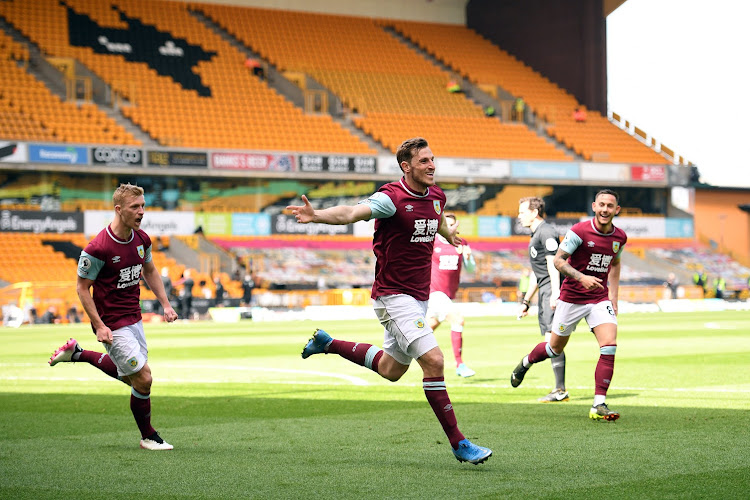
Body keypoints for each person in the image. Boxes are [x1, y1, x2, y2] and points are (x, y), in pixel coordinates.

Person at [289, 137, 492, 465]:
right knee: (436, 362)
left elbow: (435, 219)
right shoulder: (391, 198)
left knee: (391, 369)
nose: (432, 165)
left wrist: (448, 234)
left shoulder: (438, 196)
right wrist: (317, 216)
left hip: (418, 297)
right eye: (424, 161)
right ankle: (459, 442)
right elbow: (351, 213)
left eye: (433, 159)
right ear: (406, 167)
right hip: (393, 296)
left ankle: (327, 344)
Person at [49, 183, 178, 450]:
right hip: (112, 323)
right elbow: (82, 287)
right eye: (135, 207)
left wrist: (165, 304)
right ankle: (148, 436)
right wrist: (99, 325)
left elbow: (151, 271)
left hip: (135, 317)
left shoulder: (142, 239)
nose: (141, 211)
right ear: (119, 210)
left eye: (143, 206)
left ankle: (78, 353)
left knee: (134, 376)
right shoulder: (98, 248)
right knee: (143, 378)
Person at [510, 189, 627, 422]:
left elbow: (615, 264)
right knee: (554, 349)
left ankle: (598, 404)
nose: (605, 209)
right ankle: (525, 363)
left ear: (617, 210)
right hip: (572, 298)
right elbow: (558, 260)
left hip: (599, 299)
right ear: (594, 206)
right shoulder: (579, 231)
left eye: (610, 206)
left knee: (609, 345)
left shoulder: (620, 237)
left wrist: (613, 296)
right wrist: (581, 277)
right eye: (601, 205)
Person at [517, 197, 567, 402]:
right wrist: (526, 301)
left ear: (534, 212)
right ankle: (559, 389)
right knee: (552, 340)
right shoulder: (536, 234)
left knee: (552, 340)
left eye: (522, 212)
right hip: (546, 290)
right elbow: (537, 274)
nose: (519, 216)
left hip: (551, 292)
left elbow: (553, 264)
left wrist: (555, 293)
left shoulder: (546, 232)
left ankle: (559, 389)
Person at [426, 213, 477, 378]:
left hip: (447, 295)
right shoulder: (431, 242)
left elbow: (471, 270)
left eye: (452, 225)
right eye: (445, 224)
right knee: (458, 319)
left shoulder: (461, 243)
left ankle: (399, 354)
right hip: (434, 293)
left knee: (426, 329)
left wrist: (469, 259)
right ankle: (460, 364)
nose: (449, 228)